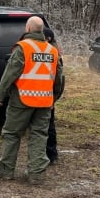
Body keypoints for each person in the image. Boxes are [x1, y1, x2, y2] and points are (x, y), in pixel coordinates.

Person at [0, 16, 64, 183]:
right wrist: (54, 98)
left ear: (28, 29)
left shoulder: (23, 48)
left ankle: (6, 170)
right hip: (45, 102)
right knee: (39, 135)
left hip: (22, 99)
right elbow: (59, 79)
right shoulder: (53, 51)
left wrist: (0, 95)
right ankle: (36, 174)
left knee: (12, 134)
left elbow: (10, 73)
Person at [43, 27, 65, 163]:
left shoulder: (51, 52)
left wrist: (53, 98)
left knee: (48, 126)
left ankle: (50, 154)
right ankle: (51, 154)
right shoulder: (54, 51)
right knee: (49, 124)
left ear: (48, 38)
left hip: (46, 95)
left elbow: (58, 79)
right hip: (48, 95)